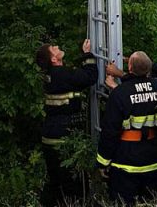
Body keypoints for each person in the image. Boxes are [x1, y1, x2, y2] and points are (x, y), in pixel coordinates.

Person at [97, 51, 157, 204]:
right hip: (153, 158)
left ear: (129, 67)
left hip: (126, 162)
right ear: (148, 69)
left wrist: (102, 163)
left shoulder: (120, 93)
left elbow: (110, 131)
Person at [35, 39, 98, 207]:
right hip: (64, 135)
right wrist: (88, 55)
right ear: (54, 59)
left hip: (50, 133)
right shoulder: (62, 74)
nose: (57, 47)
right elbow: (90, 77)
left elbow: (74, 77)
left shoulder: (51, 76)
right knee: (73, 179)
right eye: (53, 48)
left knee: (56, 179)